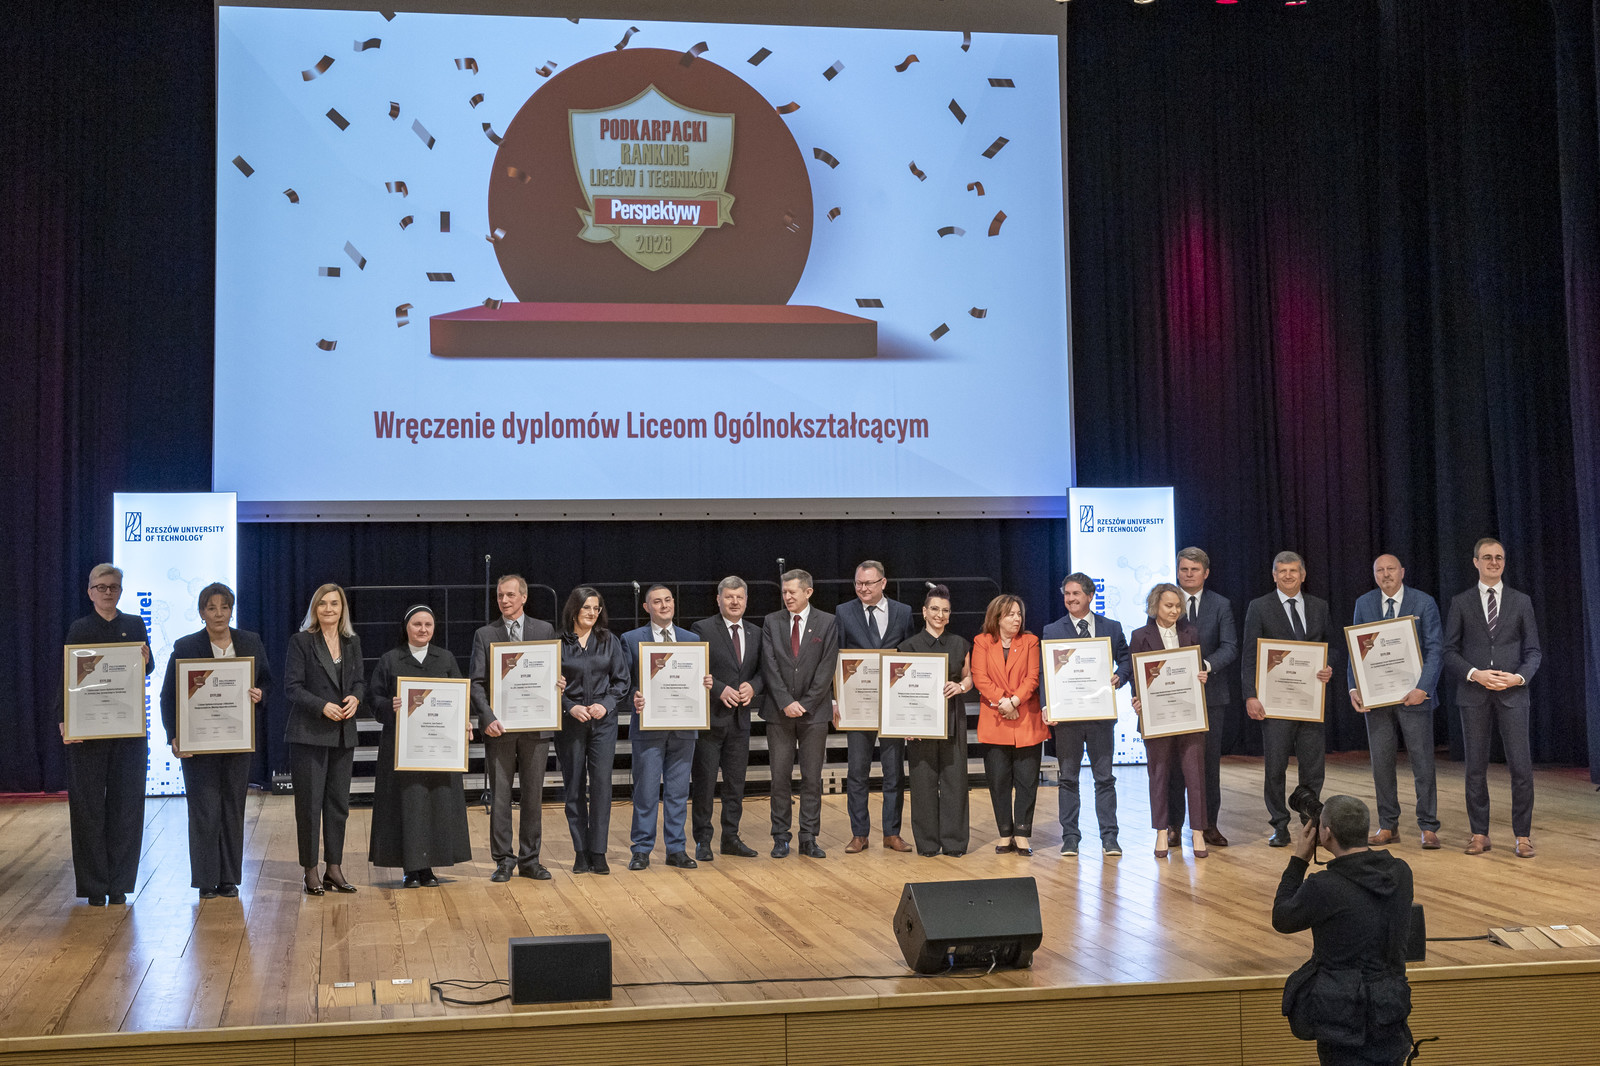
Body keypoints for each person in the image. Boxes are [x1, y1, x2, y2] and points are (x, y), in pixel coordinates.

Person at [1272, 796, 1415, 1066]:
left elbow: (1282, 918)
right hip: (1390, 1010)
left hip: (1341, 1016)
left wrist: (1299, 860)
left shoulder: (1324, 886)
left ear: (1326, 834)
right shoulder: (1401, 873)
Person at [159, 582, 271, 899]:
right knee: (204, 809)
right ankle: (206, 880)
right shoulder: (185, 646)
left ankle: (229, 879)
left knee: (233, 808)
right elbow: (168, 695)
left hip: (237, 740)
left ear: (232, 610)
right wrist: (174, 736)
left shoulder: (250, 641)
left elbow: (267, 682)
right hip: (198, 744)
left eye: (225, 607)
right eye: (211, 607)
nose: (219, 613)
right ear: (201, 612)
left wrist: (260, 694)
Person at [1443, 538, 1542, 858]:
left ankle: (1523, 836)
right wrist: (1475, 674)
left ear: (1504, 562)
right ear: (1476, 562)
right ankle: (1479, 833)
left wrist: (1518, 678)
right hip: (1473, 694)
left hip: (1513, 694)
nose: (1494, 562)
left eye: (1499, 557)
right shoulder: (1461, 602)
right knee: (1475, 767)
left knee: (1521, 768)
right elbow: (1449, 651)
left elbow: (1533, 651)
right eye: (1487, 557)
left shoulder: (1521, 601)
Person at [60, 563, 153, 906]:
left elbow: (147, 667)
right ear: (90, 592)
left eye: (113, 586)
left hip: (128, 730)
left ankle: (119, 884)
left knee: (127, 807)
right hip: (88, 732)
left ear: (121, 591)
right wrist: (64, 720)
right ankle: (94, 886)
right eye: (101, 587)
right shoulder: (80, 628)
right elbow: (67, 675)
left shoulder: (135, 624)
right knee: (88, 808)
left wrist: (146, 659)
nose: (108, 592)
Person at [367, 605, 473, 888]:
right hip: (402, 749)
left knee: (437, 804)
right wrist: (389, 705)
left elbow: (461, 697)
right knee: (408, 805)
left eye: (428, 624)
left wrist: (464, 721)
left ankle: (429, 868)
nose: (423, 629)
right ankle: (411, 869)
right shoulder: (390, 659)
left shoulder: (446, 658)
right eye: (417, 624)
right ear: (406, 628)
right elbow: (373, 699)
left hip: (439, 748)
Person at [1348, 554, 1444, 850]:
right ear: (1374, 574)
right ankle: (1388, 825)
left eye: (1391, 569)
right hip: (1377, 699)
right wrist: (1354, 688)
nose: (1386, 574)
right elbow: (1355, 649)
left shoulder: (1424, 602)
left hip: (1414, 697)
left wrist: (1423, 689)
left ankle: (1428, 826)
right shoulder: (1364, 603)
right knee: (1381, 764)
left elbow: (1435, 649)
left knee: (1422, 763)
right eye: (1380, 570)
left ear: (1402, 572)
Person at [1243, 552, 1335, 847]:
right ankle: (1279, 824)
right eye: (1281, 571)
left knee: (1313, 767)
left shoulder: (1319, 606)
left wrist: (1329, 666)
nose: (1287, 575)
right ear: (1274, 575)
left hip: (1310, 700)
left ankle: (1310, 822)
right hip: (1275, 703)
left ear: (1303, 575)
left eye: (1293, 570)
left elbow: (1332, 647)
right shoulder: (1259, 607)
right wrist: (1250, 695)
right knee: (1275, 768)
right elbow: (1249, 656)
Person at [469, 574, 557, 883]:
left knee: (533, 797)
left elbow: (552, 673)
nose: (504, 600)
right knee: (500, 797)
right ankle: (504, 861)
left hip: (536, 728)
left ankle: (530, 860)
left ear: (524, 597)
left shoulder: (544, 630)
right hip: (499, 729)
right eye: (499, 596)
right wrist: (488, 717)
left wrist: (558, 682)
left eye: (509, 595)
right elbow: (476, 683)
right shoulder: (484, 634)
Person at [1041, 572, 1131, 858]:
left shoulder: (1111, 627)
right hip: (1067, 717)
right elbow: (1045, 672)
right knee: (1068, 779)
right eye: (1067, 594)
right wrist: (1046, 705)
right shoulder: (1052, 631)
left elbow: (1126, 659)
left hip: (1099, 716)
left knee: (1104, 779)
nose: (1070, 599)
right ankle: (1070, 837)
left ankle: (1110, 838)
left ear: (1090, 596)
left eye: (1076, 593)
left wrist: (1120, 676)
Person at [284, 583, 364, 895]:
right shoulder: (301, 641)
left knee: (338, 805)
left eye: (334, 603)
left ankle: (334, 868)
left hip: (343, 734)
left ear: (342, 609)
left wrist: (356, 697)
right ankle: (310, 870)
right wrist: (321, 706)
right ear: (314, 609)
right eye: (322, 603)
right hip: (310, 735)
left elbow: (360, 681)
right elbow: (292, 687)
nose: (329, 609)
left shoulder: (352, 642)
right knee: (309, 806)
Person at [623, 584, 710, 871]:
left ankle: (676, 848)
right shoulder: (631, 639)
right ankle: (641, 849)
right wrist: (634, 696)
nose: (664, 605)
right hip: (648, 726)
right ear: (646, 607)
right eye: (657, 601)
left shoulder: (692, 639)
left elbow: (696, 679)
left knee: (678, 792)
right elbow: (623, 683)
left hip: (684, 726)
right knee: (646, 792)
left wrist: (706, 683)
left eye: (668, 600)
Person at [834, 560, 916, 854]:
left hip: (892, 706)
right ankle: (859, 834)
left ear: (883, 583)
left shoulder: (903, 612)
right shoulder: (844, 612)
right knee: (857, 771)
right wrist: (836, 699)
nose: (862, 588)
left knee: (894, 772)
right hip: (858, 705)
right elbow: (836, 656)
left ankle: (892, 833)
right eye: (858, 583)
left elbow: (910, 655)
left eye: (868, 583)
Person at [759, 568, 839, 859]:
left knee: (811, 778)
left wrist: (805, 703)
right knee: (779, 778)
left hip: (813, 714)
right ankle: (780, 837)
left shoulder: (827, 622)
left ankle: (809, 837)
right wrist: (785, 701)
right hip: (779, 713)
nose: (787, 597)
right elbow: (769, 665)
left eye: (792, 592)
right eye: (784, 592)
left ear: (808, 592)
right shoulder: (772, 621)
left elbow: (827, 667)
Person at [1129, 583, 1212, 859]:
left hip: (1189, 716)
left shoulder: (1191, 633)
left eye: (1178, 606)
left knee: (1195, 774)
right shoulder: (1139, 636)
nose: (1174, 611)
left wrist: (1202, 675)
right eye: (1168, 605)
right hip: (1156, 718)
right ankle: (1161, 831)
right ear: (1155, 606)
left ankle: (1197, 831)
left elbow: (1196, 668)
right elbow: (1137, 676)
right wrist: (1137, 699)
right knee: (1159, 775)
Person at [689, 576, 764, 862]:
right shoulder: (702, 628)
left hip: (740, 721)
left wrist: (753, 686)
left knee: (736, 784)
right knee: (705, 784)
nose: (734, 602)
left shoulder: (757, 632)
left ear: (746, 600)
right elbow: (696, 668)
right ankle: (703, 840)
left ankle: (730, 838)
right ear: (718, 599)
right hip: (710, 720)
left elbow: (764, 671)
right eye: (729, 597)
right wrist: (719, 689)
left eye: (739, 597)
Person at [1168, 547, 1238, 849]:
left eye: (1194, 570)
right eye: (1184, 569)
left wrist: (1205, 666)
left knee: (1208, 765)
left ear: (1206, 573)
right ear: (1177, 571)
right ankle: (1173, 826)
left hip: (1211, 696)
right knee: (1174, 765)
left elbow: (1230, 646)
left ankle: (1209, 825)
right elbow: (1152, 644)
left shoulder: (1221, 605)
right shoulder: (1165, 601)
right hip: (1172, 696)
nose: (1188, 574)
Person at [556, 587, 630, 874]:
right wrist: (568, 706)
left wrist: (606, 704)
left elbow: (622, 681)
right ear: (574, 609)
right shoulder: (558, 642)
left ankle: (598, 851)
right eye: (586, 607)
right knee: (573, 786)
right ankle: (580, 851)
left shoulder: (608, 640)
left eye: (596, 608)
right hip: (571, 723)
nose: (591, 613)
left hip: (603, 724)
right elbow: (547, 684)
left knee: (601, 786)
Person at [899, 585, 973, 857]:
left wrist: (961, 687)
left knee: (955, 781)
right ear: (924, 611)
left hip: (953, 718)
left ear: (950, 614)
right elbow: (899, 689)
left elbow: (969, 677)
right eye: (934, 609)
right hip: (920, 724)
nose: (940, 615)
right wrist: (905, 724)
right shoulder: (907, 647)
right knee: (923, 782)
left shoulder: (960, 644)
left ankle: (954, 842)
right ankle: (928, 843)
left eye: (945, 610)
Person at [971, 594, 1047, 855]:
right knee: (999, 781)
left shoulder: (1030, 641)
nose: (1017, 619)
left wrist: (1013, 701)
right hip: (995, 718)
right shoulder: (981, 642)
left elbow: (1033, 677)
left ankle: (1022, 833)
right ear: (997, 618)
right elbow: (980, 678)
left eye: (1019, 614)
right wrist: (1003, 702)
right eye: (1011, 614)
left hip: (1025, 719)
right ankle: (1005, 833)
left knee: (1027, 780)